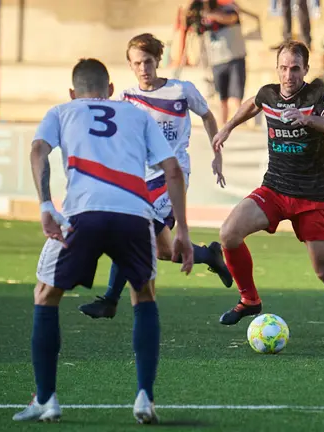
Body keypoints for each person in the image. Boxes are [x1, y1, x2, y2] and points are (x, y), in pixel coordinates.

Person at [12, 58, 194, 424]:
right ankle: (145, 397)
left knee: (46, 296)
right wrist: (184, 233)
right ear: (111, 90)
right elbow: (172, 169)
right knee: (144, 295)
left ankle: (46, 398)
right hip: (134, 215)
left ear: (72, 92)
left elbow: (37, 151)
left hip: (83, 213)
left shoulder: (62, 111)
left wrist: (46, 204)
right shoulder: (136, 114)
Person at [211, 40, 324, 342]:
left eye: (295, 68)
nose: (288, 74)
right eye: (283, 68)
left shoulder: (316, 94)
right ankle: (249, 300)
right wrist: (228, 127)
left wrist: (307, 118)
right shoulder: (269, 93)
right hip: (275, 187)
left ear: (305, 69)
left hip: (312, 196)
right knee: (229, 233)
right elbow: (253, 103)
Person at [78, 33, 232, 320]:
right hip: (140, 178)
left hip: (172, 176)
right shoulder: (126, 97)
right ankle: (210, 255)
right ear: (130, 65)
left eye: (147, 62)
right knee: (165, 252)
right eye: (136, 63)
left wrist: (217, 152)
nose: (143, 69)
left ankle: (110, 299)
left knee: (130, 227)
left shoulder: (181, 91)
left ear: (158, 60)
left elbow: (208, 116)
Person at [188, 0, 247, 125]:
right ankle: (222, 125)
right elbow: (193, 28)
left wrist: (211, 15)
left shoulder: (228, 8)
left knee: (235, 97)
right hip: (216, 62)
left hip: (234, 58)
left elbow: (231, 18)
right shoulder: (202, 16)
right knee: (222, 98)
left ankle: (238, 124)